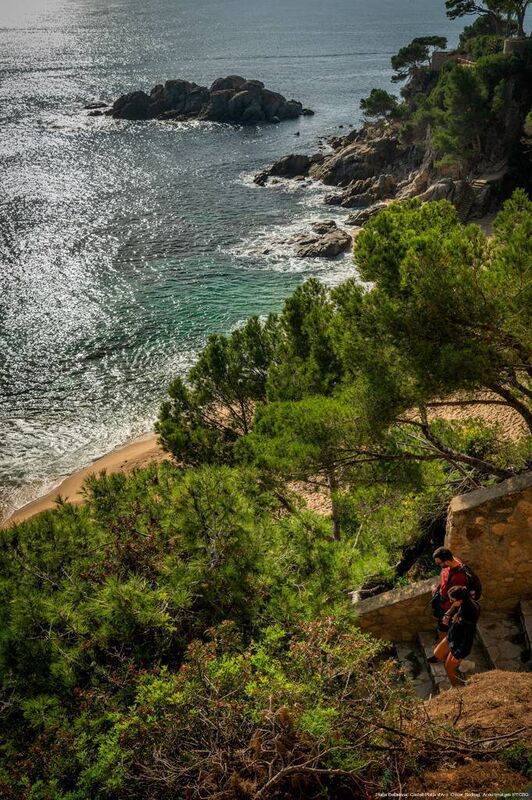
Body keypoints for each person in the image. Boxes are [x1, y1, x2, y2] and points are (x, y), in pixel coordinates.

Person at [427, 585, 480, 687]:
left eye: (452, 600)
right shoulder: (462, 602)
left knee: (448, 668)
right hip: (452, 635)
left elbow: (468, 638)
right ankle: (463, 663)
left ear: (460, 600)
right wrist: (449, 614)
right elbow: (454, 608)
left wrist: (458, 654)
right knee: (436, 654)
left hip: (458, 642)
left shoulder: (470, 613)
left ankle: (456, 687)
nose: (451, 602)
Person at [431, 547, 468, 641]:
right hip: (442, 603)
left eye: (439, 563)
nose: (439, 565)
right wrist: (438, 588)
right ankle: (441, 637)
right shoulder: (451, 564)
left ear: (447, 561)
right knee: (441, 625)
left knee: (443, 627)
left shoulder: (458, 576)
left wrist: (448, 613)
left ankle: (441, 647)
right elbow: (445, 579)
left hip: (447, 607)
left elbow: (457, 599)